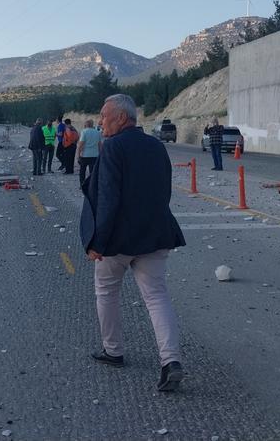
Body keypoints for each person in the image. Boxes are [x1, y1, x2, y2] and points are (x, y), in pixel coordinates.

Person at [80, 94, 186, 392]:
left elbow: (108, 199)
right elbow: (164, 191)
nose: (101, 121)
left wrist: (98, 242)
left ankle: (113, 350)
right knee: (157, 297)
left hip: (118, 239)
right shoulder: (156, 146)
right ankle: (171, 361)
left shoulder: (113, 147)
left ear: (122, 118)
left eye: (105, 115)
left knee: (106, 292)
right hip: (155, 234)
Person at [76, 119, 102, 187]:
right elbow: (100, 145)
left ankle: (82, 184)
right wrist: (101, 154)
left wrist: (78, 155)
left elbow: (80, 144)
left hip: (84, 155)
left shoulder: (84, 132)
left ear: (86, 124)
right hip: (95, 155)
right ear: (92, 124)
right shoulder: (97, 132)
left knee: (82, 171)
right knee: (92, 172)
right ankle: (92, 185)